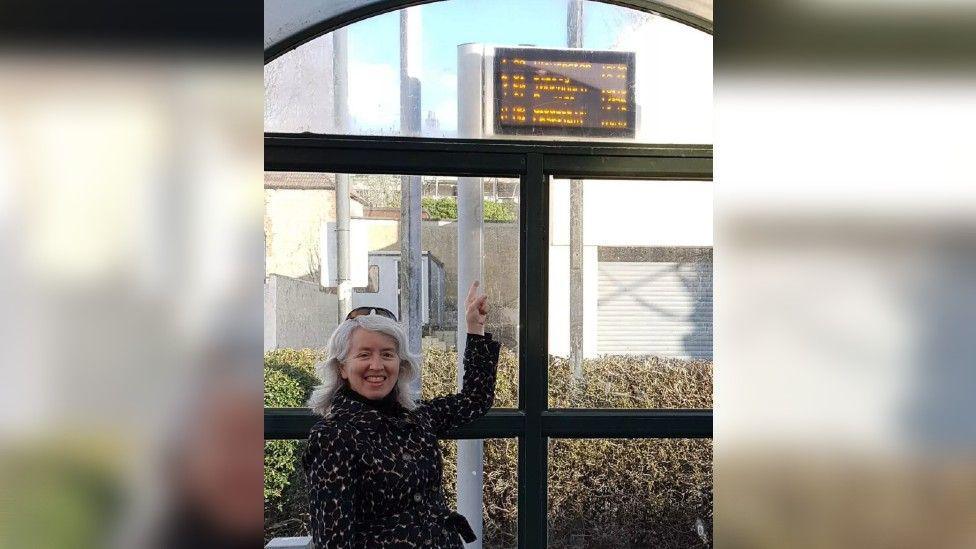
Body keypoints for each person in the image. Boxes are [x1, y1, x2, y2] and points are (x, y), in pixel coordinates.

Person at [303, 281, 500, 548]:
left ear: (400, 363)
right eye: (364, 354)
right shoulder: (333, 438)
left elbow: (474, 400)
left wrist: (475, 329)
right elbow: (333, 542)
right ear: (342, 367)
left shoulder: (416, 417)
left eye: (387, 354)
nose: (377, 365)